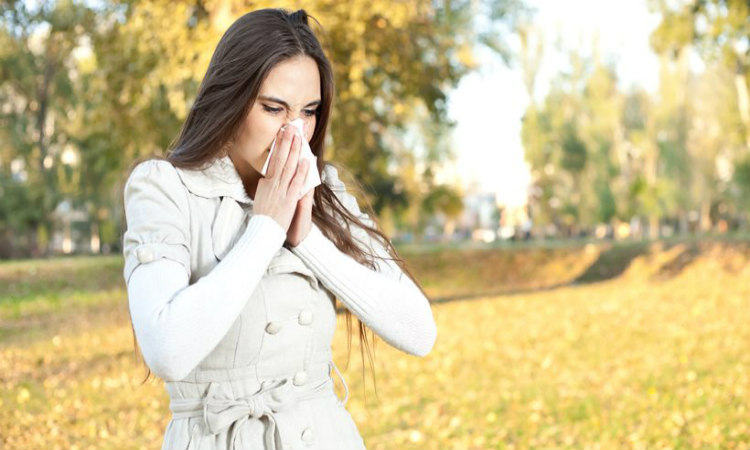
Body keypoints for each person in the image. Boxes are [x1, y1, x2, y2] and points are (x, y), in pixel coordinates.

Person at [121, 8, 437, 450]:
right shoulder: (165, 187)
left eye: (309, 111)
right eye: (274, 109)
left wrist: (306, 240)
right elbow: (167, 351)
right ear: (229, 100)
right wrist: (265, 228)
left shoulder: (324, 191)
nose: (295, 132)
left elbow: (420, 332)